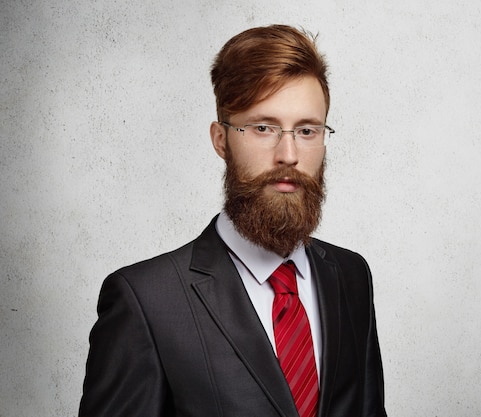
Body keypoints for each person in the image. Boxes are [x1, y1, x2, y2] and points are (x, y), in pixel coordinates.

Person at [78, 24, 386, 417]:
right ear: (221, 140)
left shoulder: (351, 276)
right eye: (263, 128)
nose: (288, 154)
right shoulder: (146, 301)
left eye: (307, 130)